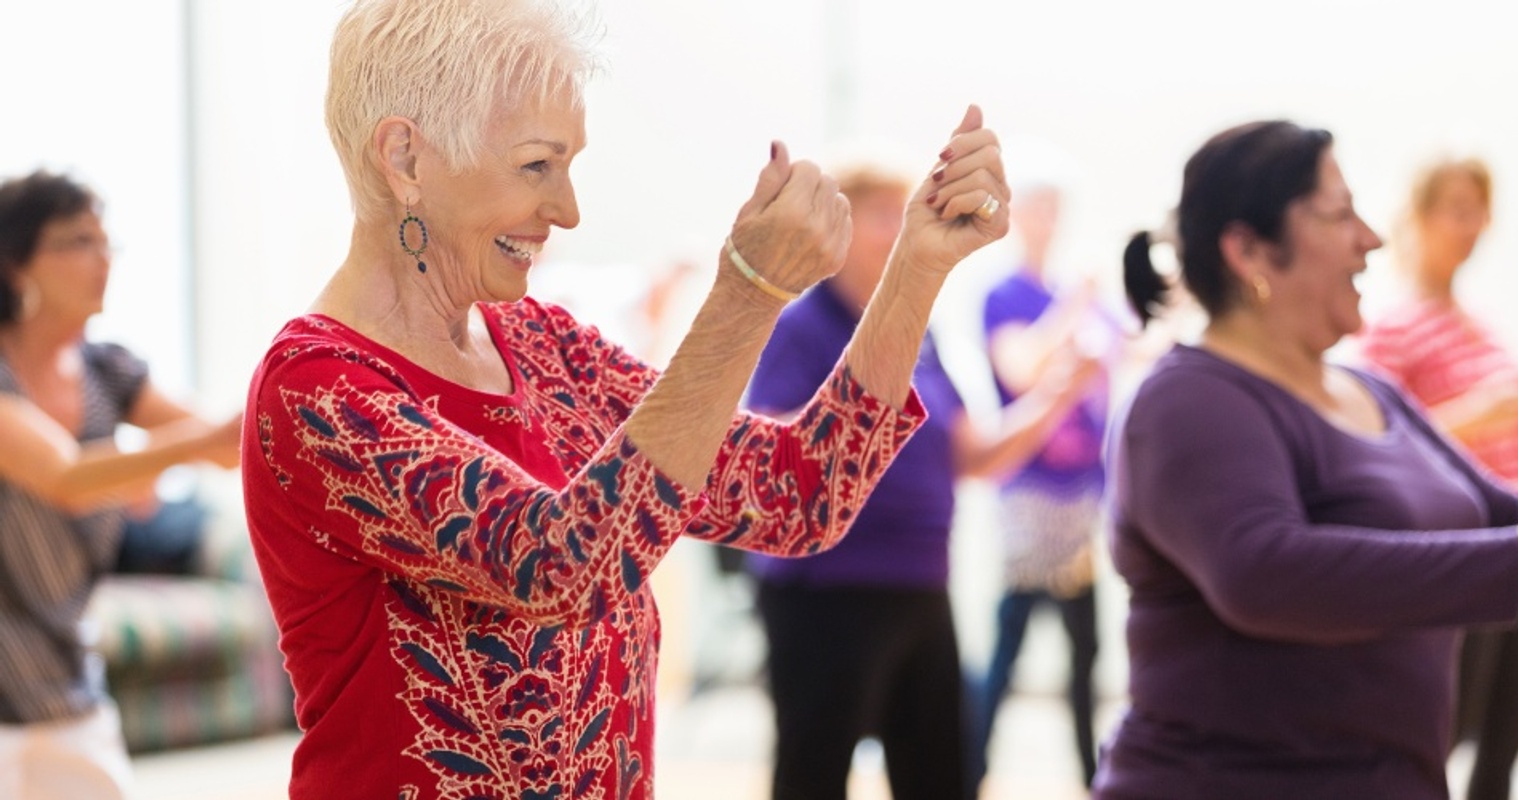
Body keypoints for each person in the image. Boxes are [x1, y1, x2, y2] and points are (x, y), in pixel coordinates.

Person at [236, 1, 1012, 797]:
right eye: (537, 165)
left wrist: (916, 266)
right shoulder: (318, 388)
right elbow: (564, 570)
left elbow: (799, 494)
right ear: (405, 157)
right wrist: (746, 297)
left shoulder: (545, 345)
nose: (567, 210)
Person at [1100, 120, 1518, 799]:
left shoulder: (1372, 391)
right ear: (1248, 250)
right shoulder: (1186, 401)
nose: (1373, 239)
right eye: (1340, 215)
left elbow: (1499, 511)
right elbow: (1264, 571)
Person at [743, 157, 1095, 800]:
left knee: (942, 778)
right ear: (838, 231)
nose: (900, 234)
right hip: (824, 591)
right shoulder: (798, 328)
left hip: (920, 585)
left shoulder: (920, 336)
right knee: (813, 773)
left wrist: (1057, 393)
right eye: (884, 216)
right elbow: (769, 455)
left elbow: (973, 457)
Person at [1357, 155, 1518, 800]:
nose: (1473, 227)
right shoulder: (1390, 327)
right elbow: (1371, 444)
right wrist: (1475, 415)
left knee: (1507, 731)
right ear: (1420, 216)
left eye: (1479, 211)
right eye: (1457, 210)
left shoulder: (1480, 322)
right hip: (1462, 552)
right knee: (1447, 729)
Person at [0, 170, 243, 800]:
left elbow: (229, 444)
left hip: (65, 681)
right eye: (78, 242)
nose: (102, 260)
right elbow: (66, 478)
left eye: (107, 243)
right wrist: (161, 458)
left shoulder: (107, 372)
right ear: (15, 263)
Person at [974, 167, 1122, 790]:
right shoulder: (1005, 295)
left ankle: (1094, 777)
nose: (1046, 220)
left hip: (1083, 497)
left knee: (1086, 653)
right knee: (1009, 645)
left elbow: (1126, 357)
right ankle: (969, 767)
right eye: (1037, 207)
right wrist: (1075, 307)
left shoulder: (1082, 296)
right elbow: (1019, 368)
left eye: (1054, 208)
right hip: (1030, 498)